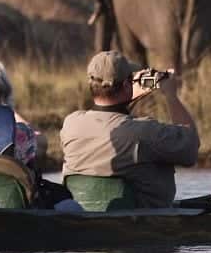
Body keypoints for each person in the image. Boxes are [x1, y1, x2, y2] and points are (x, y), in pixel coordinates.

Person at [60, 50, 200, 208]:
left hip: (82, 217)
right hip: (142, 224)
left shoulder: (71, 124)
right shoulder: (144, 131)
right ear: (127, 85)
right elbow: (190, 148)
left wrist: (127, 95)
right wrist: (171, 96)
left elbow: (110, 120)